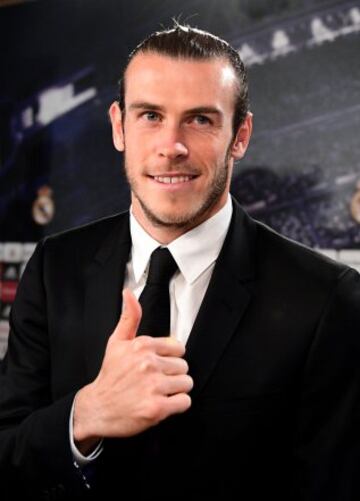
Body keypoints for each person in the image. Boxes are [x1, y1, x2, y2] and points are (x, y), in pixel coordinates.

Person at [0, 22, 359, 501]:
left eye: (201, 119)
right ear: (118, 126)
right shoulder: (54, 269)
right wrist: (85, 415)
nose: (172, 145)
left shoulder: (326, 298)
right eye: (150, 115)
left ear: (241, 134)